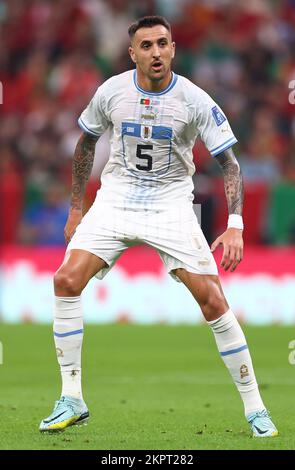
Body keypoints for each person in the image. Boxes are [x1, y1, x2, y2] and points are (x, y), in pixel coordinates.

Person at [39, 16, 278, 438]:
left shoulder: (194, 100)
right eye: (145, 45)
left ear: (173, 49)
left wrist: (235, 224)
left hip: (171, 204)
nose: (155, 52)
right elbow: (86, 143)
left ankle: (256, 408)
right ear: (132, 53)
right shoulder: (111, 91)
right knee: (65, 280)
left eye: (162, 44)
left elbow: (230, 163)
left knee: (212, 299)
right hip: (116, 199)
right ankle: (71, 398)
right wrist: (77, 208)